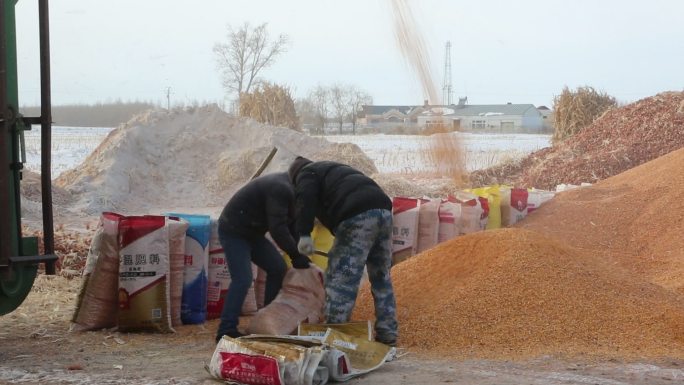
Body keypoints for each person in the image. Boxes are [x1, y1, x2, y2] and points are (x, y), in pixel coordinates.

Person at [288, 156, 398, 346]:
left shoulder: (306, 173)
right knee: (381, 277)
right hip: (384, 213)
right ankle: (388, 333)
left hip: (357, 216)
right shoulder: (336, 170)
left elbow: (306, 198)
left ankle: (334, 334)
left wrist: (303, 232)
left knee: (342, 279)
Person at [215, 172, 311, 342]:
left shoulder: (296, 191)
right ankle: (225, 330)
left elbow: (292, 226)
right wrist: (294, 255)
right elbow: (278, 228)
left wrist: (301, 253)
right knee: (243, 279)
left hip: (253, 233)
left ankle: (266, 322)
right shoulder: (280, 188)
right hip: (233, 231)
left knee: (277, 268)